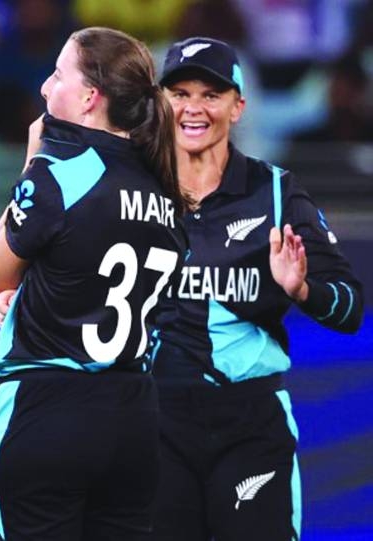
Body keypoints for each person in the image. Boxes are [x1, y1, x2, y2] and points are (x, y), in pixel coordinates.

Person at [148, 37, 364, 541]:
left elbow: (349, 305)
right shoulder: (132, 189)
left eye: (211, 94)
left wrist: (303, 288)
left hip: (249, 426)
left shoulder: (275, 191)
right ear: (160, 104)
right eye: (179, 93)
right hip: (153, 422)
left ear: (238, 106)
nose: (193, 108)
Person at [0, 27, 186, 540]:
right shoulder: (166, 186)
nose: (46, 89)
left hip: (47, 407)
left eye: (57, 74)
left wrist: (32, 164)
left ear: (90, 97)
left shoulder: (61, 171)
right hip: (133, 414)